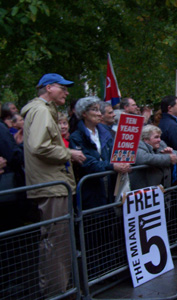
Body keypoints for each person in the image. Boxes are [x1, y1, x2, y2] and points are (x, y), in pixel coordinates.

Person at [21, 73, 86, 297]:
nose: (67, 93)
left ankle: (59, 289)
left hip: (54, 183)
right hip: (51, 184)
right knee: (56, 243)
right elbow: (39, 146)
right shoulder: (40, 111)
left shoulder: (43, 110)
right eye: (63, 88)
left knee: (58, 242)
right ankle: (56, 292)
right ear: (49, 88)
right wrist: (69, 153)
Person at [69, 96, 131, 209]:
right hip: (92, 190)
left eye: (99, 110)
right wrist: (112, 166)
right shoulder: (76, 137)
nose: (99, 114)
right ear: (84, 113)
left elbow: (115, 152)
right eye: (95, 110)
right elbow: (87, 162)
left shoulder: (106, 133)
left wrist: (123, 162)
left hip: (111, 186)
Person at [132, 125, 177, 189]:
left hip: (163, 189)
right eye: (156, 137)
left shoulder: (161, 143)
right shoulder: (138, 145)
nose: (159, 140)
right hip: (147, 190)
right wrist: (167, 158)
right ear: (146, 139)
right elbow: (144, 158)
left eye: (160, 137)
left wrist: (170, 153)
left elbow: (176, 154)